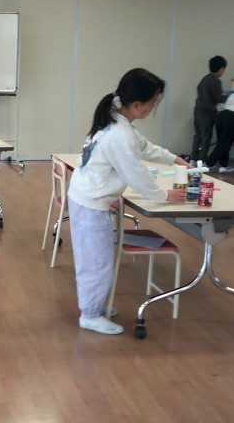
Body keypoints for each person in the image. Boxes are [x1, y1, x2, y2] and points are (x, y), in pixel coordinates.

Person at [67, 68, 192, 335]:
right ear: (137, 104)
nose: (152, 108)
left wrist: (175, 159)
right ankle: (89, 314)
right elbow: (135, 173)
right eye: (152, 103)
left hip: (86, 198)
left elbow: (145, 148)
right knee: (96, 263)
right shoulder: (119, 134)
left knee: (96, 260)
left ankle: (93, 306)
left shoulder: (117, 121)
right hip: (90, 204)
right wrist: (164, 195)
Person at [191, 56, 228, 162]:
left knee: (198, 135)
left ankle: (194, 157)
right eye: (224, 69)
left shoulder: (205, 79)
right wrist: (230, 96)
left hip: (198, 110)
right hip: (207, 112)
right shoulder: (215, 81)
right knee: (206, 137)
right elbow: (219, 98)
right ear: (221, 68)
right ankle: (202, 159)